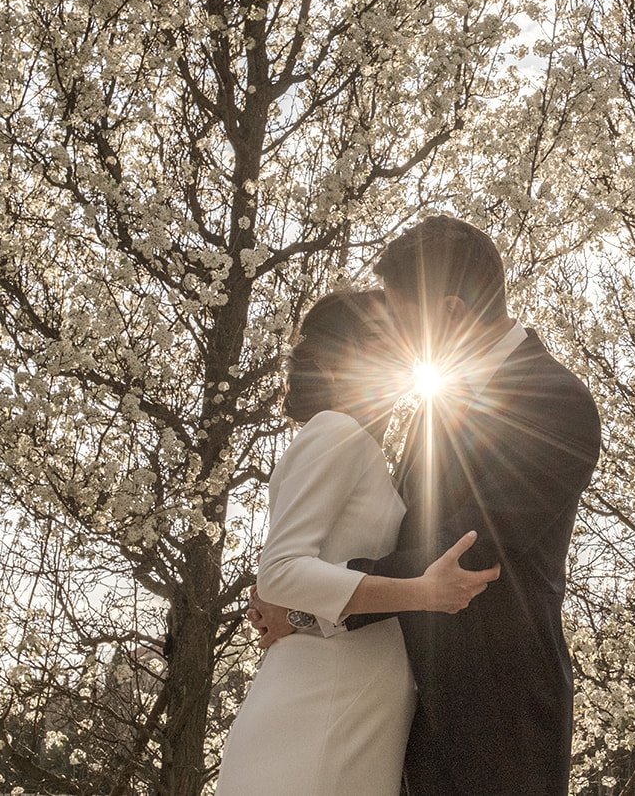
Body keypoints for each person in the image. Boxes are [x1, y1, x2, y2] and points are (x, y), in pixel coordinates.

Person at [252, 216, 602, 796]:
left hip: (499, 721)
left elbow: (465, 555)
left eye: (404, 319)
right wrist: (303, 590)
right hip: (411, 719)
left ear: (449, 315)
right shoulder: (430, 413)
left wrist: (310, 605)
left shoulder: (556, 403)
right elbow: (397, 545)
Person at [216, 288, 498, 796]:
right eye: (376, 341)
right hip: (321, 706)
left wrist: (297, 614)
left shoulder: (360, 447)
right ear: (332, 364)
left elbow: (298, 586)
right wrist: (422, 592)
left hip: (355, 702)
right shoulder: (336, 431)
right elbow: (279, 571)